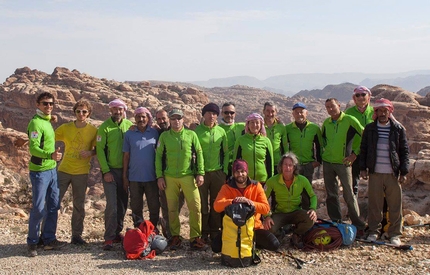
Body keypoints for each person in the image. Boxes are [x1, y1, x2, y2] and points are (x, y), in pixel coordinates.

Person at [155, 108, 207, 251]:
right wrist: (159, 176)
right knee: (172, 209)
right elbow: (158, 157)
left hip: (188, 176)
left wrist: (200, 173)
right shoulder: (164, 137)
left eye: (179, 118)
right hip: (170, 176)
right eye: (173, 119)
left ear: (183, 120)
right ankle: (175, 237)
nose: (176, 121)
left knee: (195, 207)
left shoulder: (191, 135)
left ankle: (195, 238)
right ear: (170, 120)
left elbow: (199, 153)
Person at [360, 99, 409, 246]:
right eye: (379, 111)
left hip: (392, 173)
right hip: (375, 172)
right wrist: (363, 168)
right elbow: (364, 149)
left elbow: (404, 151)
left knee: (395, 205)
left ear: (389, 112)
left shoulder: (398, 129)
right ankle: (374, 231)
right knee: (375, 205)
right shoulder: (370, 129)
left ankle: (394, 233)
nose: (382, 113)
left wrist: (404, 172)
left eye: (385, 111)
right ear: (376, 112)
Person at [26, 92, 67, 257]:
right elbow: (33, 148)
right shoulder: (36, 123)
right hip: (40, 171)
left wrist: (51, 118)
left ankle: (49, 238)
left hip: (52, 170)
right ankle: (32, 242)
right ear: (37, 104)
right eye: (45, 103)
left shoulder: (46, 120)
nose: (48, 106)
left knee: (53, 205)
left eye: (51, 104)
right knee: (38, 207)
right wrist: (50, 156)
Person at [212, 159, 280, 252]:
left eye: (242, 171)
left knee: (274, 244)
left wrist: (250, 202)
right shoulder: (227, 187)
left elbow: (266, 208)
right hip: (233, 229)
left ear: (247, 172)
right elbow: (216, 206)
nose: (240, 174)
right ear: (233, 173)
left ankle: (251, 245)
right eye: (237, 172)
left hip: (253, 228)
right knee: (215, 247)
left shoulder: (256, 186)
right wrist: (233, 201)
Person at [321, 98, 366, 234]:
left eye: (332, 106)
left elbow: (364, 136)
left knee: (349, 193)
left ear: (339, 105)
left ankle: (358, 225)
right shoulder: (326, 123)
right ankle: (336, 221)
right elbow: (323, 140)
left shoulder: (349, 120)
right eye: (328, 107)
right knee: (331, 193)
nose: (330, 109)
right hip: (328, 162)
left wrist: (354, 154)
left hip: (343, 163)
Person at [56, 99, 97, 245]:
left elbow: (98, 149)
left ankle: (76, 236)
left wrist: (90, 153)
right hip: (64, 170)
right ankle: (48, 235)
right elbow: (50, 137)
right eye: (78, 111)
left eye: (84, 111)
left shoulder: (93, 130)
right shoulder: (65, 128)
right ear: (74, 112)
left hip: (81, 172)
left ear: (89, 113)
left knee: (79, 204)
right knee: (54, 202)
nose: (81, 114)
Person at [96, 98, 133, 250]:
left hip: (127, 172)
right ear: (110, 110)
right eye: (115, 109)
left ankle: (117, 232)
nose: (118, 112)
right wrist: (105, 171)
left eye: (120, 109)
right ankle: (109, 237)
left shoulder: (129, 126)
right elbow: (99, 150)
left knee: (123, 204)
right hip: (110, 171)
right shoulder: (104, 128)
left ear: (124, 110)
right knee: (112, 205)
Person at [263, 153, 318, 248]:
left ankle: (296, 234)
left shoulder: (302, 180)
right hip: (279, 213)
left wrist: (313, 209)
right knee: (269, 228)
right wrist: (267, 216)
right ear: (281, 166)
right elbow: (263, 199)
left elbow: (312, 196)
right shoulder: (272, 181)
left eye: (290, 165)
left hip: (296, 211)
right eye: (285, 164)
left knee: (310, 219)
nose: (287, 168)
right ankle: (281, 234)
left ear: (294, 167)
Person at [194, 103, 229, 242]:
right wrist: (196, 172)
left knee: (216, 203)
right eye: (208, 113)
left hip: (217, 173)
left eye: (214, 113)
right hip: (201, 174)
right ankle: (204, 231)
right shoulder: (197, 132)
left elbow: (226, 152)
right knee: (202, 204)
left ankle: (215, 230)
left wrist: (225, 171)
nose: (211, 116)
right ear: (203, 115)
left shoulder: (221, 132)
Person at [122, 107, 160, 228]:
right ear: (135, 118)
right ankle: (139, 231)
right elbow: (126, 156)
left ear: (148, 118)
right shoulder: (129, 134)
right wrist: (124, 176)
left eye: (143, 116)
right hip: (134, 177)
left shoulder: (155, 133)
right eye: (138, 117)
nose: (141, 119)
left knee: (154, 206)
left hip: (152, 176)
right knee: (136, 207)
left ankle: (153, 230)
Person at [285, 102, 322, 210]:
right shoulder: (288, 129)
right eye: (296, 112)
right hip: (293, 166)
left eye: (301, 112)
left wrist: (317, 162)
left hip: (307, 166)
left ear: (306, 113)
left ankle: (306, 216)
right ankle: (292, 216)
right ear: (293, 114)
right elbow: (283, 146)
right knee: (291, 191)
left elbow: (319, 146)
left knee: (306, 192)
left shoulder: (314, 128)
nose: (299, 114)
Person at [154, 108, 185, 238]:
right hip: (165, 175)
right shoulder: (158, 133)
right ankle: (169, 233)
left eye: (164, 118)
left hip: (182, 175)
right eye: (159, 119)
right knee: (166, 204)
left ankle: (172, 230)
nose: (162, 121)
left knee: (179, 202)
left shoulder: (182, 130)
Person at [345, 86, 374, 195]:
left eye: (363, 94)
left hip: (372, 152)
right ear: (354, 98)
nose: (361, 97)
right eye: (358, 95)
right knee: (353, 184)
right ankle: (353, 210)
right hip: (354, 153)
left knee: (376, 183)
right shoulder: (348, 113)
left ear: (369, 96)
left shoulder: (374, 112)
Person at [234, 113, 274, 184]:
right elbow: (236, 161)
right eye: (252, 122)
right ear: (248, 125)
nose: (254, 125)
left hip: (262, 180)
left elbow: (270, 162)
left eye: (257, 123)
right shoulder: (240, 140)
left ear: (261, 125)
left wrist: (270, 180)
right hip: (245, 180)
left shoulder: (266, 141)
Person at [218, 102, 245, 175]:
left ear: (235, 114)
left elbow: (258, 124)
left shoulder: (242, 126)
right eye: (226, 112)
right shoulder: (217, 129)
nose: (229, 115)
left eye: (231, 113)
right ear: (222, 113)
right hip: (223, 167)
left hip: (239, 167)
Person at [263, 102, 287, 173]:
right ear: (263, 111)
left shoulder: (281, 127)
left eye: (272, 111)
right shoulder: (259, 125)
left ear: (276, 112)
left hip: (278, 164)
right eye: (267, 111)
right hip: (263, 163)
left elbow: (285, 146)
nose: (270, 114)